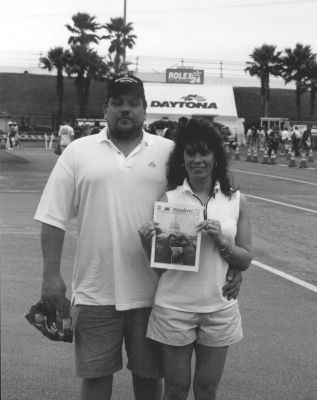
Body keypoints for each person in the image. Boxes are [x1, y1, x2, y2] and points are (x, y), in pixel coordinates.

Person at [34, 74, 243, 400]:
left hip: (155, 293)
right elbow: (52, 218)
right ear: (105, 108)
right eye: (117, 103)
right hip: (94, 291)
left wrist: (233, 265)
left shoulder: (170, 152)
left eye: (133, 103)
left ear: (145, 110)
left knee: (148, 380)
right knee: (95, 378)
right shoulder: (78, 151)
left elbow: (213, 198)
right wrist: (50, 276)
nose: (125, 109)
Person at [139, 118, 252, 400]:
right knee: (176, 389)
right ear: (182, 158)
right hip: (174, 307)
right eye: (191, 153)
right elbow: (158, 265)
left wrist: (222, 242)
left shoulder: (236, 200)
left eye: (204, 152)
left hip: (219, 308)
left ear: (216, 157)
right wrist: (146, 242)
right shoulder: (169, 198)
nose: (197, 160)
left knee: (206, 390)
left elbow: (245, 259)